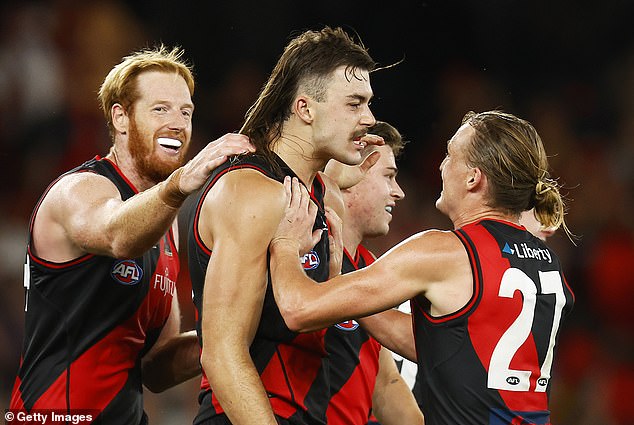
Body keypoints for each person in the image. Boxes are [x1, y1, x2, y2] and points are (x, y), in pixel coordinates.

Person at [269, 110, 575, 425]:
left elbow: (297, 309)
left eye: (450, 155)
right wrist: (348, 285)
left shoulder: (444, 252)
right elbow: (446, 347)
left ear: (473, 178)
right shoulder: (547, 262)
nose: (442, 166)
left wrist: (284, 241)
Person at [9, 45, 254, 424]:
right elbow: (116, 236)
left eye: (185, 111)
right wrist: (180, 183)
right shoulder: (79, 190)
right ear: (121, 118)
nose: (177, 123)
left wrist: (238, 327)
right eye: (161, 109)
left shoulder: (165, 222)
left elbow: (157, 367)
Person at [186, 26, 382, 425]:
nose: (369, 118)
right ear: (305, 109)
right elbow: (223, 353)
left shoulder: (313, 192)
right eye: (355, 103)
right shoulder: (252, 191)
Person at [322, 121, 423, 425]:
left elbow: (385, 383)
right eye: (389, 177)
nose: (399, 192)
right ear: (353, 173)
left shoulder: (371, 269)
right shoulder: (303, 248)